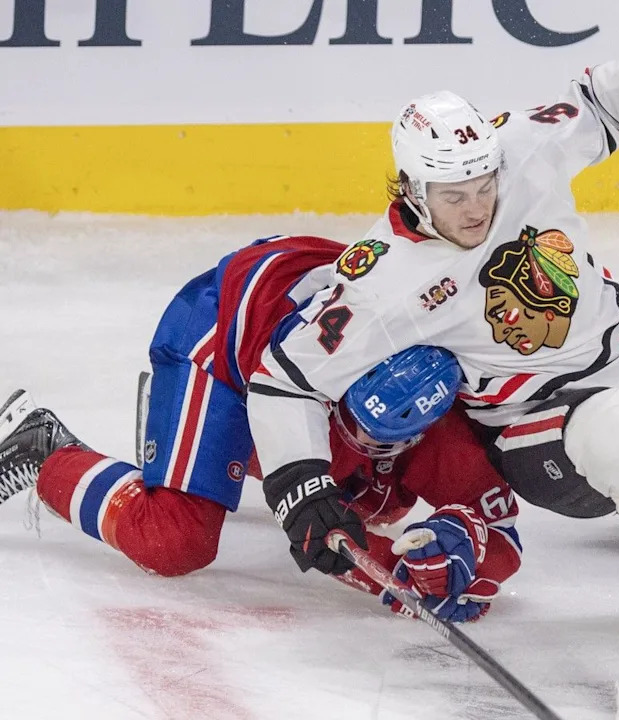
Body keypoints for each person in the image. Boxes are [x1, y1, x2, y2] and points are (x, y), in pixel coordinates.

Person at [237, 16, 619, 679]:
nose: (478, 206)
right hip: (533, 431)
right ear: (412, 189)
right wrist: (297, 486)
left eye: (484, 186)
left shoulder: (518, 147)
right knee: (614, 433)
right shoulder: (380, 280)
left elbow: (599, 102)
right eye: (455, 196)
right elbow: (286, 379)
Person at [0, 235, 521, 621]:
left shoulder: (442, 410)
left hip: (307, 313)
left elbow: (503, 538)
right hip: (229, 339)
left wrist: (462, 545)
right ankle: (44, 447)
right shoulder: (301, 374)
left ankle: (189, 451)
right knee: (175, 540)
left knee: (382, 505)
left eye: (392, 438)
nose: (373, 444)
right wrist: (391, 577)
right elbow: (318, 530)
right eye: (358, 425)